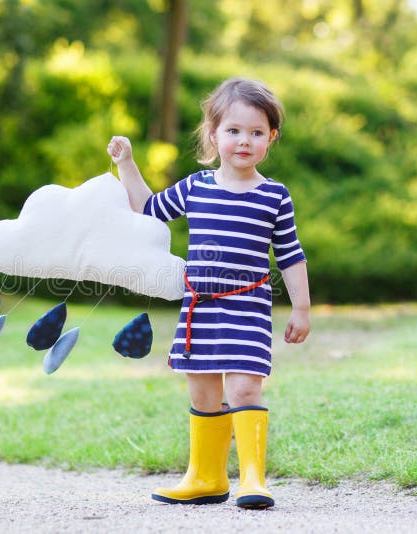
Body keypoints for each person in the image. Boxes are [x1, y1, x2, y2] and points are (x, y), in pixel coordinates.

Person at [107, 77, 310, 509]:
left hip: (248, 308)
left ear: (271, 138)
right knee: (202, 393)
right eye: (234, 130)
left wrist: (302, 308)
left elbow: (291, 254)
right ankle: (206, 477)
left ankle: (253, 479)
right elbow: (148, 210)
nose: (244, 141)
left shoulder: (274, 195)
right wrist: (127, 164)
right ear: (213, 133)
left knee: (243, 392)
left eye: (256, 133)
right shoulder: (196, 187)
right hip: (200, 311)